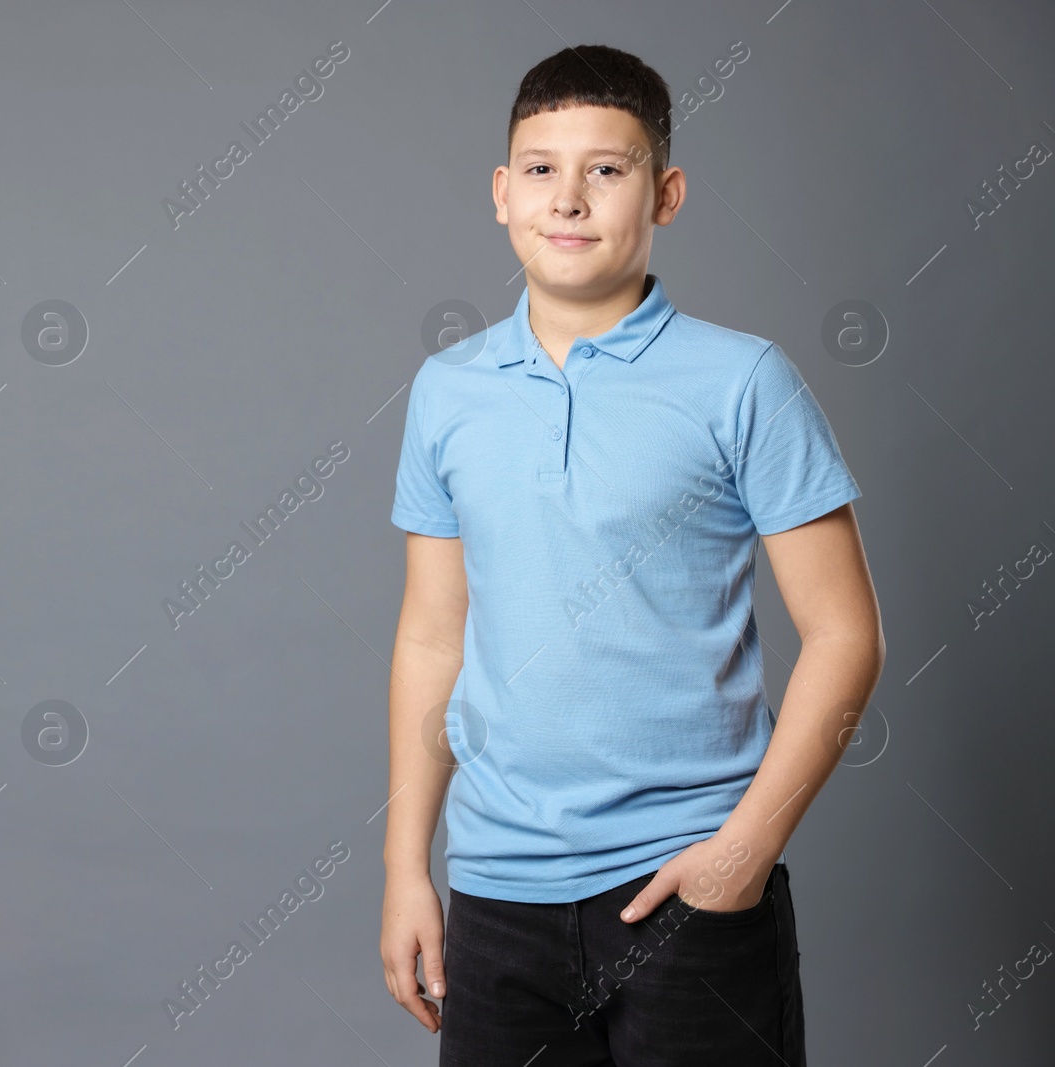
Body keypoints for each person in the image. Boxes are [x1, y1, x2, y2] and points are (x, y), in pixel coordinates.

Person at [379, 43, 885, 1066]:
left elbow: (845, 633)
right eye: (539, 168)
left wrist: (742, 853)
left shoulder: (745, 380)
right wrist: (404, 867)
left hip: (687, 889)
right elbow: (432, 638)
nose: (567, 198)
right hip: (495, 895)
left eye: (606, 170)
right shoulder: (447, 391)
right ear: (499, 192)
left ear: (665, 192)